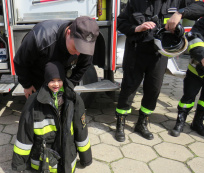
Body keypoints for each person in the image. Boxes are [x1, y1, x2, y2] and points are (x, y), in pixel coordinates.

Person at [114, 0, 204, 142]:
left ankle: (142, 123)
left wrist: (180, 13)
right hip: (136, 52)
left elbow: (201, 7)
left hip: (160, 54)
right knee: (129, 88)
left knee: (153, 89)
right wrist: (137, 28)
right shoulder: (136, 2)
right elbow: (120, 22)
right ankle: (120, 123)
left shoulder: (176, 1)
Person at [11, 61, 92, 173]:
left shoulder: (74, 100)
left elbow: (81, 131)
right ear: (46, 80)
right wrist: (19, 164)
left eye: (59, 80)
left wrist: (86, 159)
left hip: (67, 153)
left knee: (65, 160)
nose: (56, 84)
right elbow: (24, 134)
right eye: (52, 80)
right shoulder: (34, 102)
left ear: (64, 80)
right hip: (43, 156)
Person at [14, 16, 99, 99]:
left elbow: (84, 65)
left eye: (82, 49)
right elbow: (20, 62)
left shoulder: (85, 45)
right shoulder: (39, 38)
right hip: (37, 73)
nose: (78, 53)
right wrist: (27, 85)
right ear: (68, 33)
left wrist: (70, 85)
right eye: (76, 47)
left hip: (62, 74)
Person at [170, 17, 204, 137]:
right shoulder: (202, 21)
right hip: (196, 70)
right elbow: (194, 38)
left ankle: (198, 123)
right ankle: (180, 122)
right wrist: (202, 57)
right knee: (188, 98)